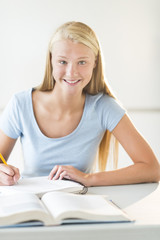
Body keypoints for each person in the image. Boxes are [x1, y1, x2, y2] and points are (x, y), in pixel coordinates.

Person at [0, 21, 159, 187]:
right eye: (63, 62)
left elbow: (152, 169)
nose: (71, 72)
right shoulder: (20, 104)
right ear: (51, 60)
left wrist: (88, 179)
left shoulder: (104, 107)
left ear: (95, 63)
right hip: (31, 203)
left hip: (81, 203)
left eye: (82, 62)